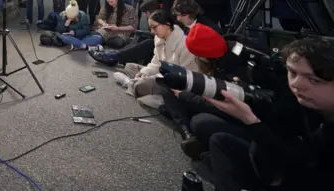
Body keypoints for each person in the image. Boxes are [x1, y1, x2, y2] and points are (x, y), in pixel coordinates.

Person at [201, 38, 334, 191]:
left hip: (303, 179)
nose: (297, 84)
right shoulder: (300, 101)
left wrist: (251, 121)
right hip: (283, 165)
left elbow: (293, 174)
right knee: (220, 141)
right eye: (292, 72)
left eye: (314, 80)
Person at [160, 23, 230, 160]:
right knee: (168, 85)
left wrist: (183, 95)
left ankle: (186, 126)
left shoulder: (227, 72)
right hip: (203, 99)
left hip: (222, 111)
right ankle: (187, 132)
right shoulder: (213, 62)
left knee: (199, 122)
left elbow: (215, 105)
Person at [112, 10, 197, 109]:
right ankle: (138, 85)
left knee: (141, 84)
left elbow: (184, 78)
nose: (152, 31)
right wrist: (143, 73)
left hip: (173, 84)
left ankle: (129, 83)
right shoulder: (159, 37)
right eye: (150, 28)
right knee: (130, 66)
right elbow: (156, 62)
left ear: (167, 24)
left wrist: (154, 77)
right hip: (161, 74)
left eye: (154, 27)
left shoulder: (184, 45)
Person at [88, 0, 160, 66]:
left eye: (145, 13)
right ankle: (114, 55)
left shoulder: (159, 21)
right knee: (139, 37)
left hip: (157, 43)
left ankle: (114, 56)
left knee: (147, 42)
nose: (146, 15)